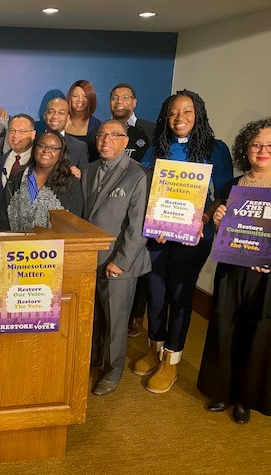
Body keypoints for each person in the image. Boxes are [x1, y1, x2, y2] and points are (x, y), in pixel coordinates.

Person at [133, 89, 233, 394]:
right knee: (156, 293)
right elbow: (145, 191)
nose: (180, 118)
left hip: (194, 238)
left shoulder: (215, 149)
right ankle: (154, 348)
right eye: (175, 112)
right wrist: (156, 220)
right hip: (159, 234)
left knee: (180, 296)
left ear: (198, 115)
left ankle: (171, 361)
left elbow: (224, 194)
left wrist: (203, 218)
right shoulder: (156, 147)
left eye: (188, 111)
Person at [197, 117, 271, 424]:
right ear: (245, 149)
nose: (264, 151)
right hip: (233, 269)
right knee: (224, 327)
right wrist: (220, 219)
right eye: (256, 144)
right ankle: (221, 392)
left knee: (258, 333)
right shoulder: (232, 185)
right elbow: (225, 230)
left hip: (269, 275)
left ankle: (245, 400)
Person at [80, 120, 151, 395]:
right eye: (101, 135)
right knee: (95, 317)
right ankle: (95, 359)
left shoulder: (137, 175)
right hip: (91, 260)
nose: (106, 140)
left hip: (120, 263)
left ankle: (113, 371)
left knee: (117, 321)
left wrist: (120, 262)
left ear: (125, 140)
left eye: (114, 135)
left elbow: (138, 227)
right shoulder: (88, 171)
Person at [107, 83, 155, 337]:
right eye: (115, 98)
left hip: (139, 199)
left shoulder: (150, 130)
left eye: (125, 97)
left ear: (134, 101)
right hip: (109, 202)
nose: (120, 102)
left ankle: (134, 317)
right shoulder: (102, 131)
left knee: (135, 253)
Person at [0, 131, 82, 231]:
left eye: (53, 148)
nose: (46, 150)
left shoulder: (70, 182)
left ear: (61, 153)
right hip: (17, 243)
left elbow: (74, 221)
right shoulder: (17, 177)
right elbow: (2, 216)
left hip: (54, 245)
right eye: (41, 146)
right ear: (34, 149)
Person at [0, 114, 37, 223]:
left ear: (33, 134)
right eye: (12, 130)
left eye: (22, 131)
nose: (15, 135)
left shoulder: (39, 163)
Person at [43, 97, 89, 178]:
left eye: (61, 113)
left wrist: (79, 176)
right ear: (45, 115)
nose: (55, 116)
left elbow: (85, 181)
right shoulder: (33, 142)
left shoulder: (79, 147)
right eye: (51, 112)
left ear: (67, 118)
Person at [64, 80, 102, 156]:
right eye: (75, 96)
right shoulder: (60, 122)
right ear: (69, 98)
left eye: (85, 96)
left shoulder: (98, 126)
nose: (80, 100)